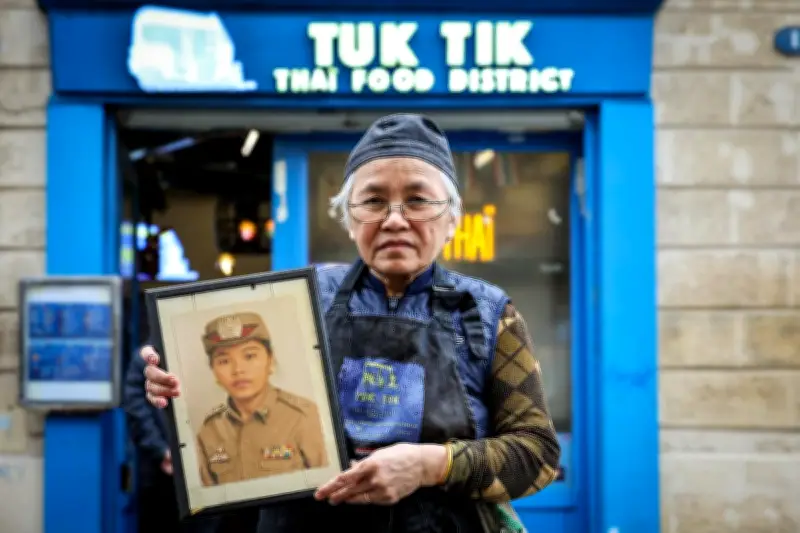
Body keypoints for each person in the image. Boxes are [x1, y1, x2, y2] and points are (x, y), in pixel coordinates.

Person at [141, 113, 561, 533]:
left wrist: (431, 465)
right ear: (348, 217)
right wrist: (182, 376)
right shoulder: (293, 302)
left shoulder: (487, 315)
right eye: (374, 201)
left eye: (417, 200)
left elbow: (538, 457)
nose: (394, 219)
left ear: (451, 219)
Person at [196, 311, 328, 486]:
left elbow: (330, 485)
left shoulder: (304, 417)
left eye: (249, 356)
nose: (238, 370)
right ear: (213, 370)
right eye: (224, 361)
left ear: (270, 360)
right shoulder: (209, 430)